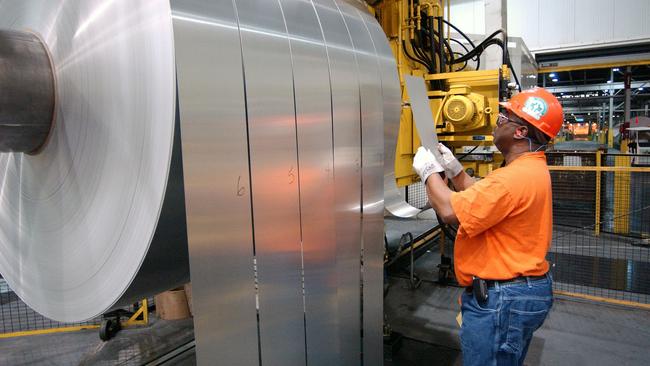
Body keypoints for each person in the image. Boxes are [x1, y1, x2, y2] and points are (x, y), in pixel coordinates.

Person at [412, 87, 563, 366]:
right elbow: (484, 199)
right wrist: (455, 171)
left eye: (506, 116)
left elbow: (448, 210)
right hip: (520, 292)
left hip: (504, 298)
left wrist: (428, 171)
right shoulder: (529, 170)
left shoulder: (512, 179)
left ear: (520, 132)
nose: (498, 119)